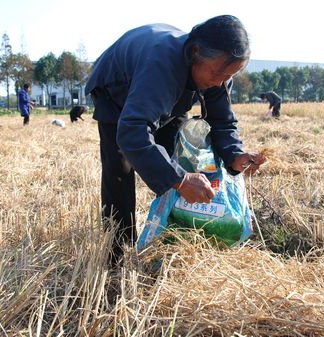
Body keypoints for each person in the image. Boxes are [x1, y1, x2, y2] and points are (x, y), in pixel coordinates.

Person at [85, 15, 266, 265]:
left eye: (230, 75)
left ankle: (170, 238)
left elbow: (222, 121)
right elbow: (133, 131)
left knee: (180, 158)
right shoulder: (161, 66)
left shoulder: (216, 72)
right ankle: (118, 250)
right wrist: (178, 179)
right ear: (194, 52)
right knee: (120, 167)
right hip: (116, 89)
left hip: (174, 89)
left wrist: (235, 156)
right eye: (218, 73)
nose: (221, 82)